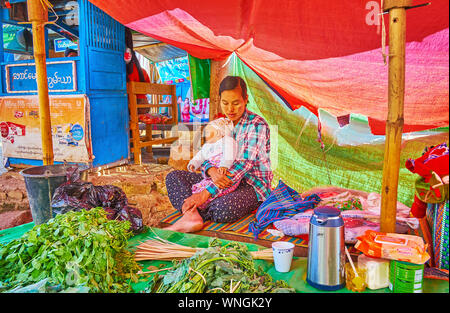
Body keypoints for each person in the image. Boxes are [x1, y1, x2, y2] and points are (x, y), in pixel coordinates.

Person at [165, 76, 273, 233]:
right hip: (218, 179)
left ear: (245, 99)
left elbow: (242, 166)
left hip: (250, 184)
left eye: (236, 103)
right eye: (225, 103)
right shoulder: (220, 123)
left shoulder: (256, 125)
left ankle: (195, 207)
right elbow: (208, 151)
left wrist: (205, 193)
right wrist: (211, 170)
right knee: (174, 178)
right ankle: (193, 215)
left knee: (223, 208)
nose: (230, 109)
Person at [187, 117, 239, 210]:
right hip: (211, 176)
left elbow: (229, 153)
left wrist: (224, 165)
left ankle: (206, 204)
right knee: (201, 187)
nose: (204, 135)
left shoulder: (227, 140)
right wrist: (193, 164)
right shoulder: (207, 146)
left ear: (218, 133)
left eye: (207, 132)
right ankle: (198, 206)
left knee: (219, 185)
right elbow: (200, 156)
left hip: (224, 174)